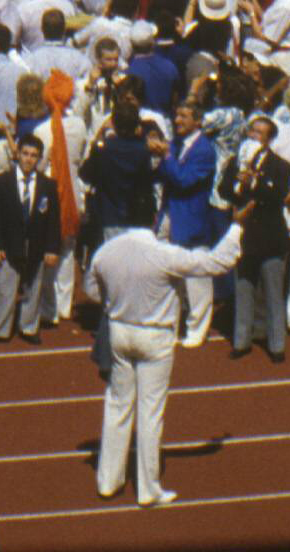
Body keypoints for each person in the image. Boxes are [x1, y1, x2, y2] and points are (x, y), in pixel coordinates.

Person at [90, 205, 240, 507]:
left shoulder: (105, 252)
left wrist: (116, 303)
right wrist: (236, 228)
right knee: (150, 411)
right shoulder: (164, 254)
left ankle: (108, 479)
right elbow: (216, 263)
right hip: (155, 336)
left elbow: (92, 289)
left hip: (119, 331)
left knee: (117, 405)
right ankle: (148, 489)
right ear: (154, 220)